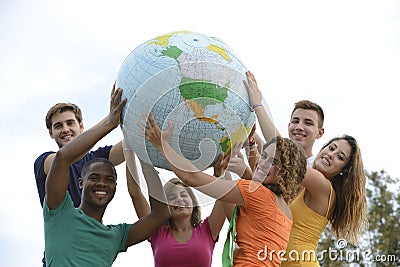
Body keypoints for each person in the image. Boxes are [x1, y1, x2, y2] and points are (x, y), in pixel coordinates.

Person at [139, 111, 308, 267]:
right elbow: (233, 211)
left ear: (286, 172)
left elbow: (191, 177)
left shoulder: (256, 193)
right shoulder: (286, 212)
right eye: (264, 156)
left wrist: (162, 145)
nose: (262, 163)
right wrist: (223, 173)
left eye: (274, 162)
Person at [243, 70, 367, 266]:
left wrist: (258, 104)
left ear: (342, 170)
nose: (331, 154)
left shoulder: (322, 185)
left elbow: (280, 148)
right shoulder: (307, 185)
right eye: (331, 148)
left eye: (339, 157)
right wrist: (250, 139)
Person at [43, 86, 170, 266]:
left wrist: (145, 151)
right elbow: (63, 158)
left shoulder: (116, 236)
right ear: (81, 182)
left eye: (109, 180)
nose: (102, 183)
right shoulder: (59, 213)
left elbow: (161, 214)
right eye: (94, 178)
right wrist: (110, 122)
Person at [34, 93, 126, 265]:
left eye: (70, 123)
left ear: (81, 126)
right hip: (61, 255)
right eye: (58, 126)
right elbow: (65, 157)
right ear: (51, 133)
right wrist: (110, 121)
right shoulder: (45, 162)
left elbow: (129, 145)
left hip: (93, 251)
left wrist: (135, 114)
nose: (65, 129)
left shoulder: (96, 160)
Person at [124, 144, 228, 267]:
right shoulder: (156, 230)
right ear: (165, 207)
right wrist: (130, 149)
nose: (179, 199)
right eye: (172, 198)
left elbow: (225, 194)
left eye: (184, 195)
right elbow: (135, 194)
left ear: (193, 203)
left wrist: (220, 173)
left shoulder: (208, 230)